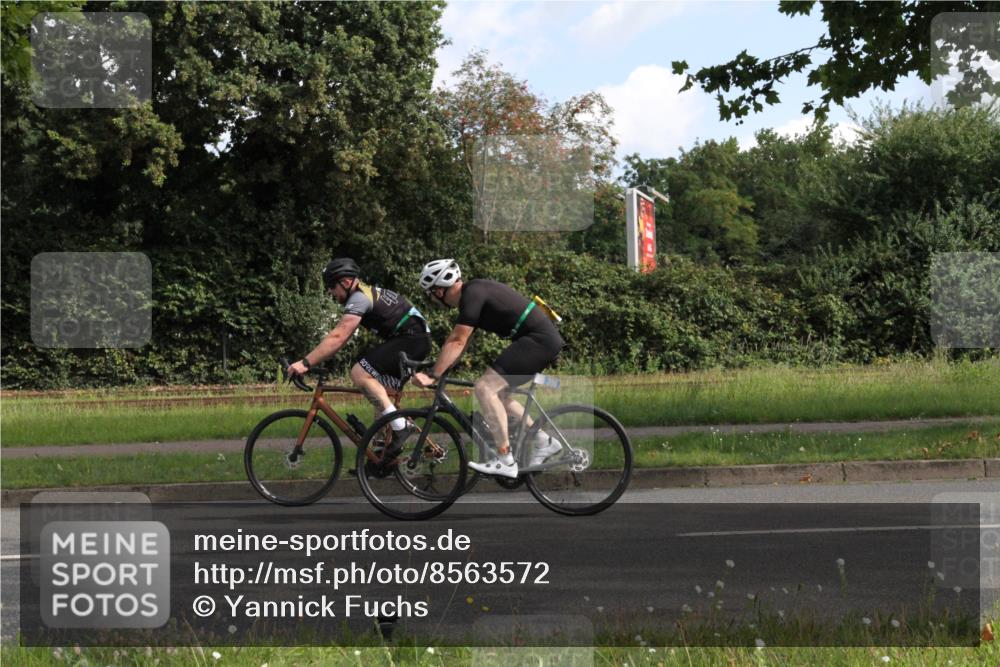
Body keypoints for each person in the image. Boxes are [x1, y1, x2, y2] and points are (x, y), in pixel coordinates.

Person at [411, 259, 563, 478]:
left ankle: (504, 459)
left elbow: (457, 341)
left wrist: (433, 375)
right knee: (500, 395)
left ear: (438, 290)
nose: (432, 299)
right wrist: (440, 368)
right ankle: (543, 441)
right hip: (540, 339)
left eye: (430, 293)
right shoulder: (474, 294)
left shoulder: (472, 294)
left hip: (537, 341)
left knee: (484, 388)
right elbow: (461, 345)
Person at [287, 258, 430, 455]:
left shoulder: (359, 298)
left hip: (411, 340)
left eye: (331, 286)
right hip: (413, 340)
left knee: (359, 373)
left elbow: (338, 336)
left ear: (346, 282)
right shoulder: (365, 293)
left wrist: (305, 363)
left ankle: (401, 426)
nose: (330, 292)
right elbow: (340, 339)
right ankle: (383, 455)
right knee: (381, 395)